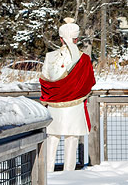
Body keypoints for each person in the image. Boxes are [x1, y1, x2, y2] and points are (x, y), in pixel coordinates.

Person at [38, 17, 95, 172]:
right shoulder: (83, 58)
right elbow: (89, 82)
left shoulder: (50, 57)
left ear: (61, 38)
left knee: (52, 139)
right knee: (72, 139)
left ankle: (47, 172)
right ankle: (69, 175)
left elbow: (45, 80)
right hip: (74, 105)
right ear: (76, 39)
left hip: (54, 104)